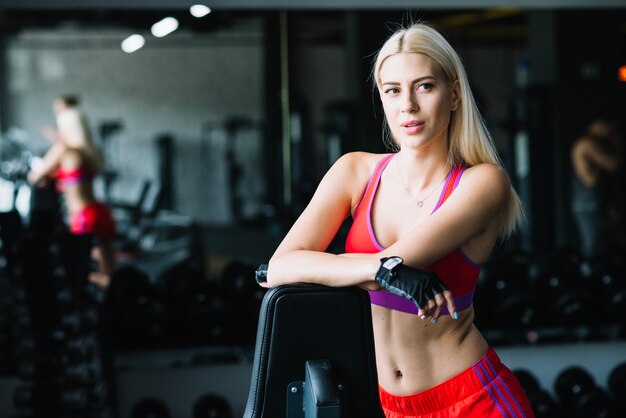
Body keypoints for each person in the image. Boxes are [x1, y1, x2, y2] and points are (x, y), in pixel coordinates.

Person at [260, 22, 534, 417]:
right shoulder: (354, 171)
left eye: (424, 86)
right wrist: (386, 269)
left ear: (454, 94)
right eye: (392, 90)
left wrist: (380, 269)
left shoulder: (483, 182)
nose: (407, 104)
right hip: (384, 405)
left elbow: (388, 267)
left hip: (472, 400)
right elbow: (280, 266)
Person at [28, 95, 116, 288]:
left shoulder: (65, 150)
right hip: (100, 213)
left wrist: (42, 174)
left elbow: (36, 174)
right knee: (110, 272)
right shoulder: (89, 152)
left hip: (84, 218)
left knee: (82, 274)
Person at [571, 115, 623, 260]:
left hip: (593, 203)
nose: (609, 131)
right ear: (597, 124)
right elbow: (614, 164)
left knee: (603, 247)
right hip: (589, 204)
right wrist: (618, 144)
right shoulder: (587, 143)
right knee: (594, 248)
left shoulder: (591, 143)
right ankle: (590, 278)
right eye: (608, 127)